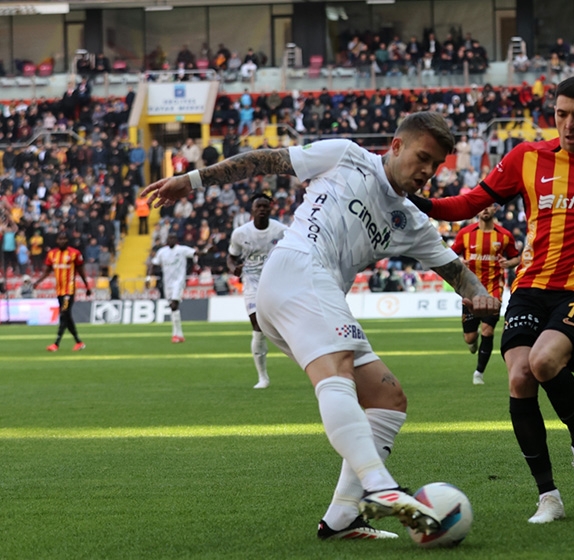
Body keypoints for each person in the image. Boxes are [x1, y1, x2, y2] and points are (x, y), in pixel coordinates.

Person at [141, 112, 502, 540]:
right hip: (298, 268)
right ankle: (379, 485)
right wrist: (193, 180)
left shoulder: (412, 222)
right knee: (339, 368)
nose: (428, 171)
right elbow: (267, 160)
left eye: (436, 164)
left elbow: (456, 271)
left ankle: (342, 518)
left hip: (309, 294)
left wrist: (481, 295)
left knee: (387, 398)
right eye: (422, 157)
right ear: (396, 146)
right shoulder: (347, 155)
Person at [409, 77, 574, 523]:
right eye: (561, 114)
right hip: (530, 285)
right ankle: (548, 497)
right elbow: (469, 203)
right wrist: (420, 202)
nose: (568, 124)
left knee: (543, 362)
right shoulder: (527, 157)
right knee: (520, 376)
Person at [451, 203, 520, 385]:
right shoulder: (465, 233)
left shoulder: (504, 235)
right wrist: (460, 261)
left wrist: (509, 263)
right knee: (470, 338)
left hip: (493, 290)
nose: (485, 209)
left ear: (495, 209)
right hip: (470, 290)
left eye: (489, 206)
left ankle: (479, 373)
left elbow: (516, 257)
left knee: (487, 330)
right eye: (482, 206)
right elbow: (449, 255)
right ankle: (472, 344)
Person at [227, 193, 288, 389]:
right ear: (252, 210)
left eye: (265, 206)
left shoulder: (282, 231)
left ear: (271, 209)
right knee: (257, 325)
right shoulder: (240, 233)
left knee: (288, 327)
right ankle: (263, 377)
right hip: (252, 282)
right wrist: (233, 269)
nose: (262, 209)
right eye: (258, 206)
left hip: (276, 281)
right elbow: (231, 257)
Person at [32, 231, 91, 352]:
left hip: (69, 290)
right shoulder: (52, 254)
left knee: (64, 314)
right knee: (67, 316)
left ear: (67, 240)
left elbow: (81, 271)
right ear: (56, 240)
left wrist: (87, 286)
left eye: (64, 239)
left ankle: (56, 344)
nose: (62, 241)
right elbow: (47, 271)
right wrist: (37, 282)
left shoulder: (74, 253)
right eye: (60, 239)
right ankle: (79, 342)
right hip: (59, 291)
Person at [147, 233, 197, 343]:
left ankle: (175, 335)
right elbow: (153, 264)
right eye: (169, 238)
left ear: (176, 240)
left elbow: (195, 253)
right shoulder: (162, 252)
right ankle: (179, 334)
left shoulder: (182, 250)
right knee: (173, 307)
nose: (171, 240)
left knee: (174, 304)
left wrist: (207, 251)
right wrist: (149, 277)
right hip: (167, 283)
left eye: (173, 238)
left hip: (178, 282)